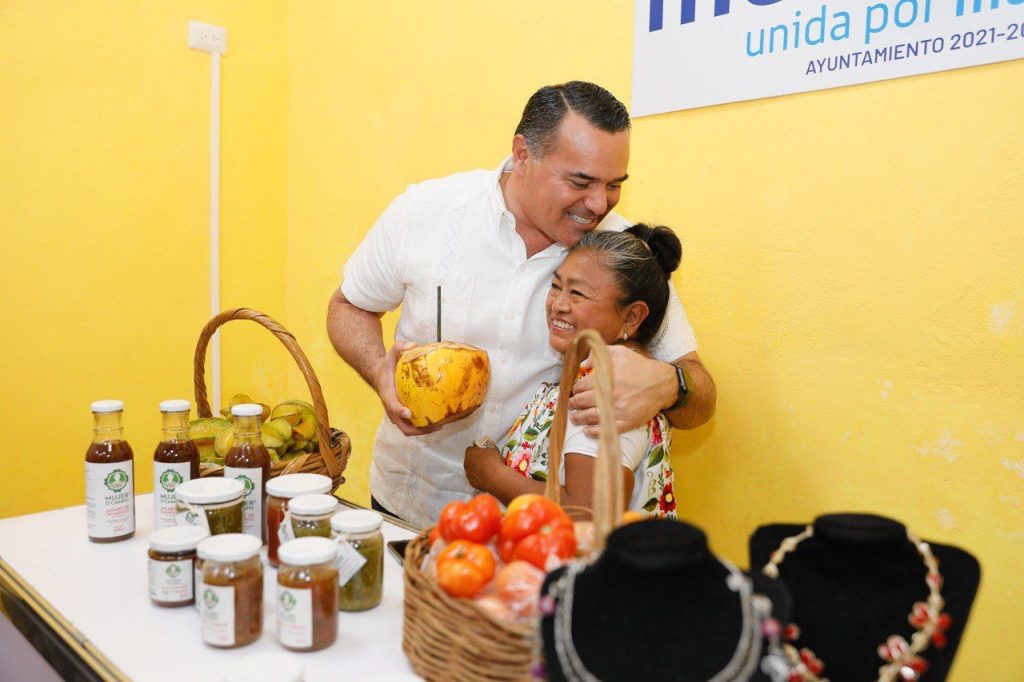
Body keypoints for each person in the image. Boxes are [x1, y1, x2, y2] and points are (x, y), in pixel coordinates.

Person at [327, 81, 715, 528]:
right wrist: (380, 371)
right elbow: (349, 306)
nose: (598, 204)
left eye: (614, 185)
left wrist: (670, 384)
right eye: (580, 181)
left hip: (534, 539)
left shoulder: (619, 252)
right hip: (410, 505)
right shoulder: (427, 210)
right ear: (523, 154)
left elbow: (701, 395)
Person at [463, 225, 681, 517]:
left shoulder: (608, 392)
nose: (558, 305)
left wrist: (492, 475)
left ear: (631, 316)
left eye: (577, 293)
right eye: (556, 286)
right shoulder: (586, 376)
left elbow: (589, 513)